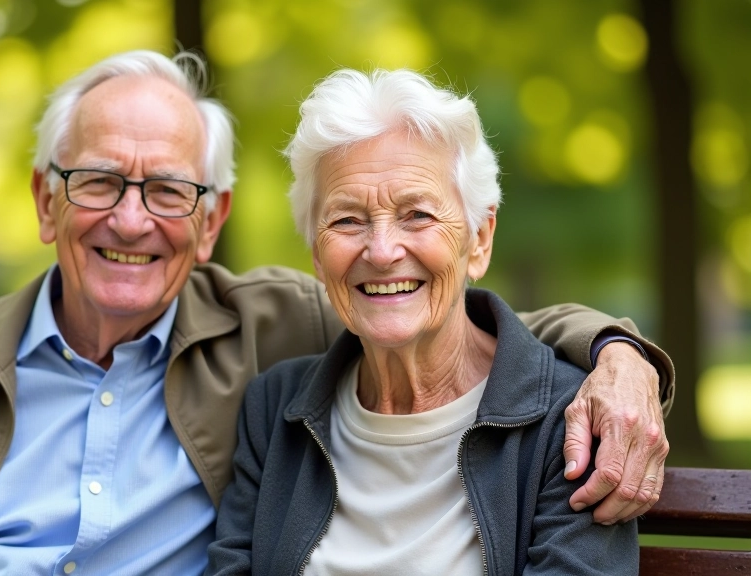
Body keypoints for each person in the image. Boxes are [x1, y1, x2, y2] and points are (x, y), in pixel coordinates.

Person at [0, 51, 671, 576]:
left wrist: (618, 353)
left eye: (169, 191)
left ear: (211, 220)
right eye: (97, 180)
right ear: (44, 200)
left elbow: (462, 318)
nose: (130, 219)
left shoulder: (276, 334)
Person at [207, 68, 645, 575]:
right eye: (346, 220)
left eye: (417, 214)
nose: (382, 250)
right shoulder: (273, 410)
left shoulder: (569, 422)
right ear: (316, 254)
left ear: (479, 239)